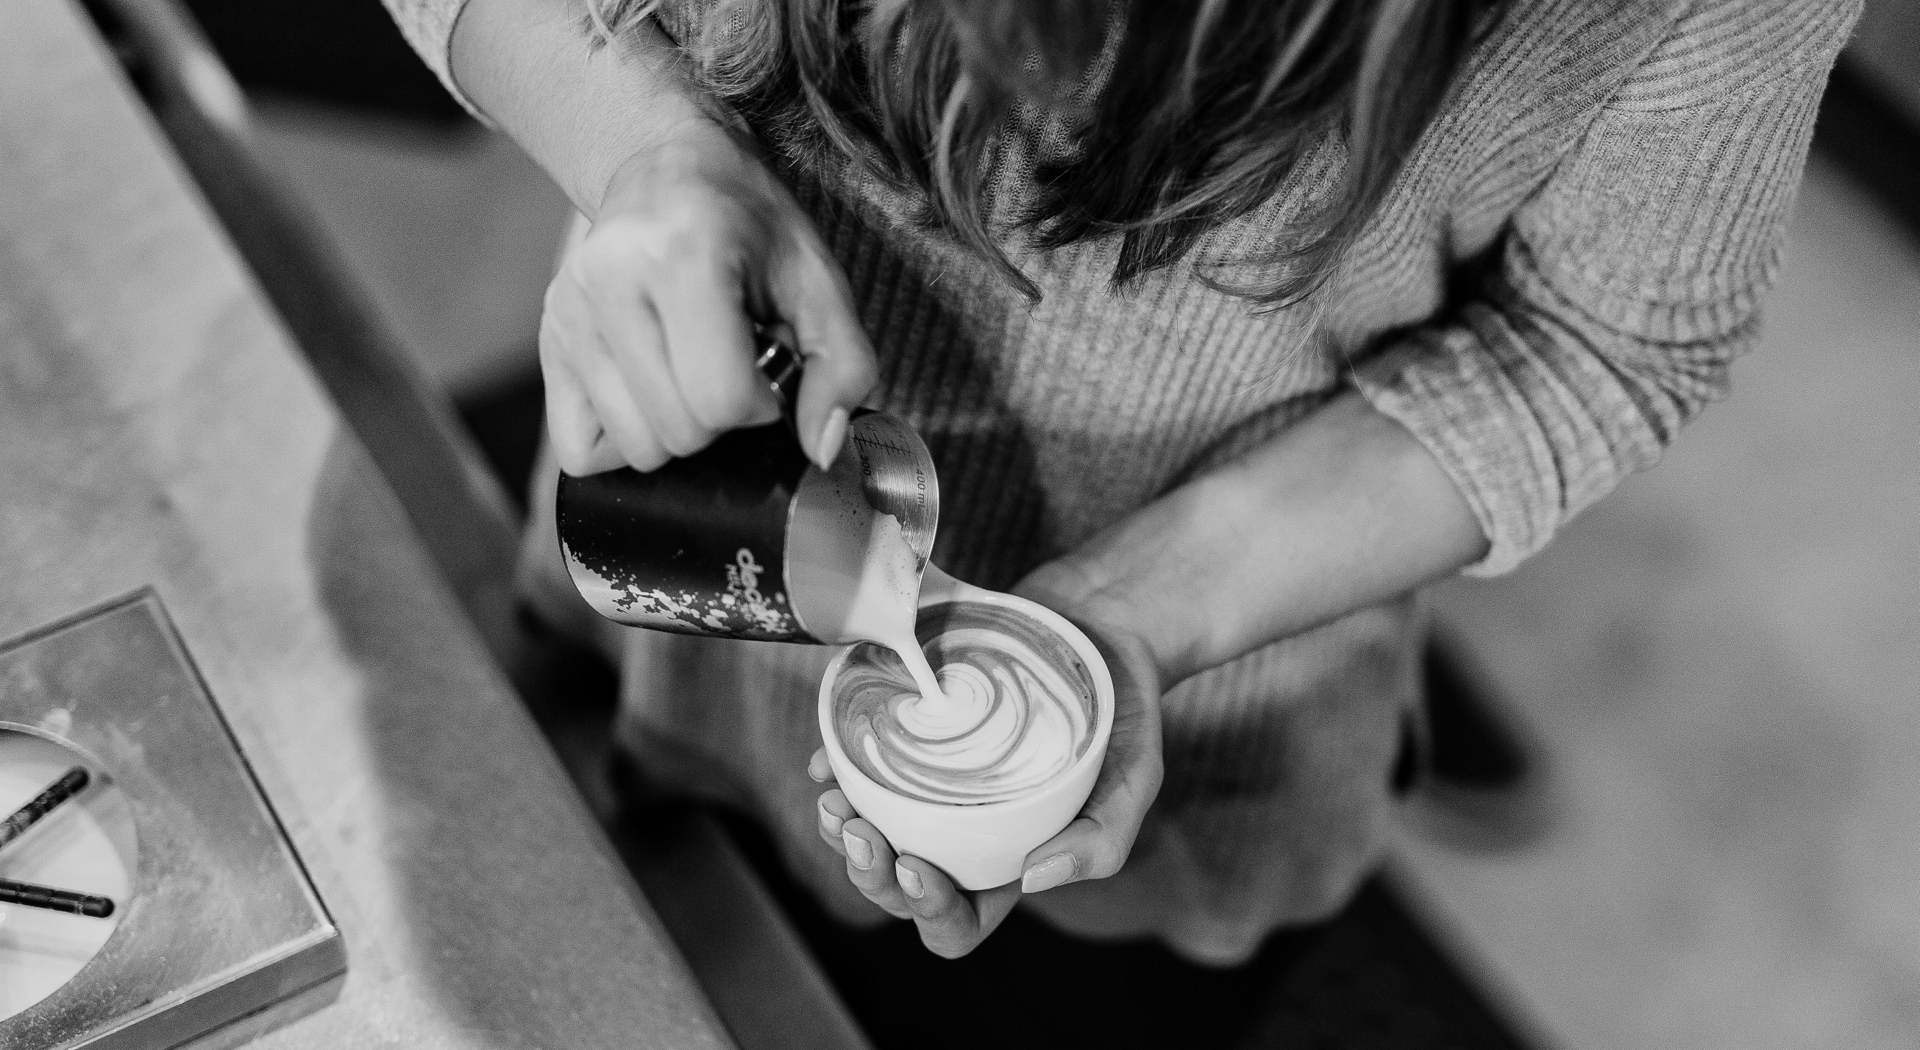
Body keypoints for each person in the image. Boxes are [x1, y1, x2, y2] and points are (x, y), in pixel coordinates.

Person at [382, 0, 1858, 963]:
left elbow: (1606, 342)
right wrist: (643, 150)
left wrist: (1140, 611)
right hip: (695, 596)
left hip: (1209, 742)